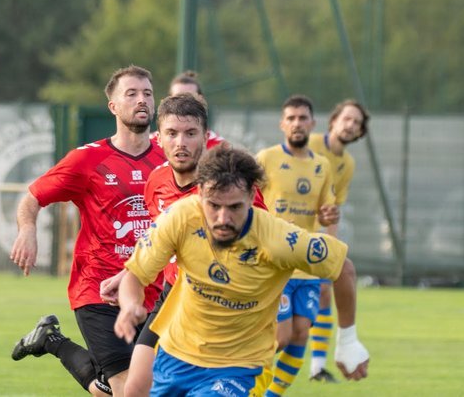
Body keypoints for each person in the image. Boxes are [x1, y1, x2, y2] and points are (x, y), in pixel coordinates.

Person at [113, 145, 370, 396]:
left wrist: (347, 339)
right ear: (200, 192)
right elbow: (135, 274)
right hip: (174, 356)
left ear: (251, 196)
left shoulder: (279, 239)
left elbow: (343, 268)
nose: (223, 219)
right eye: (214, 206)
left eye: (234, 207)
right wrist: (129, 305)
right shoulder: (180, 217)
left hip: (238, 368)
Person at [9, 65, 167, 396]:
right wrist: (27, 230)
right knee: (130, 390)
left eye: (147, 93)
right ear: (113, 106)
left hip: (154, 293)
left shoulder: (169, 159)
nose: (142, 100)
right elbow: (32, 198)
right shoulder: (87, 159)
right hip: (98, 290)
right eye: (131, 94)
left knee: (113, 390)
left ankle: (51, 341)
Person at [254, 94, 340, 396]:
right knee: (281, 337)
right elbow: (246, 200)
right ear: (282, 124)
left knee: (301, 333)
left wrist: (328, 217)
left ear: (313, 124)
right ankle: (244, 383)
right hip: (274, 263)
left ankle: (271, 395)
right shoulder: (266, 159)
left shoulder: (322, 166)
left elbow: (327, 211)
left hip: (307, 263)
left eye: (303, 118)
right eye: (291, 118)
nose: (297, 123)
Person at [305, 99, 370, 383]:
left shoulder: (348, 164)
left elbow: (333, 209)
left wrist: (332, 248)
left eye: (357, 123)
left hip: (316, 238)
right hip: (291, 234)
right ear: (333, 121)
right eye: (347, 119)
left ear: (360, 132)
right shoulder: (310, 144)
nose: (351, 125)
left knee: (324, 293)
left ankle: (317, 367)